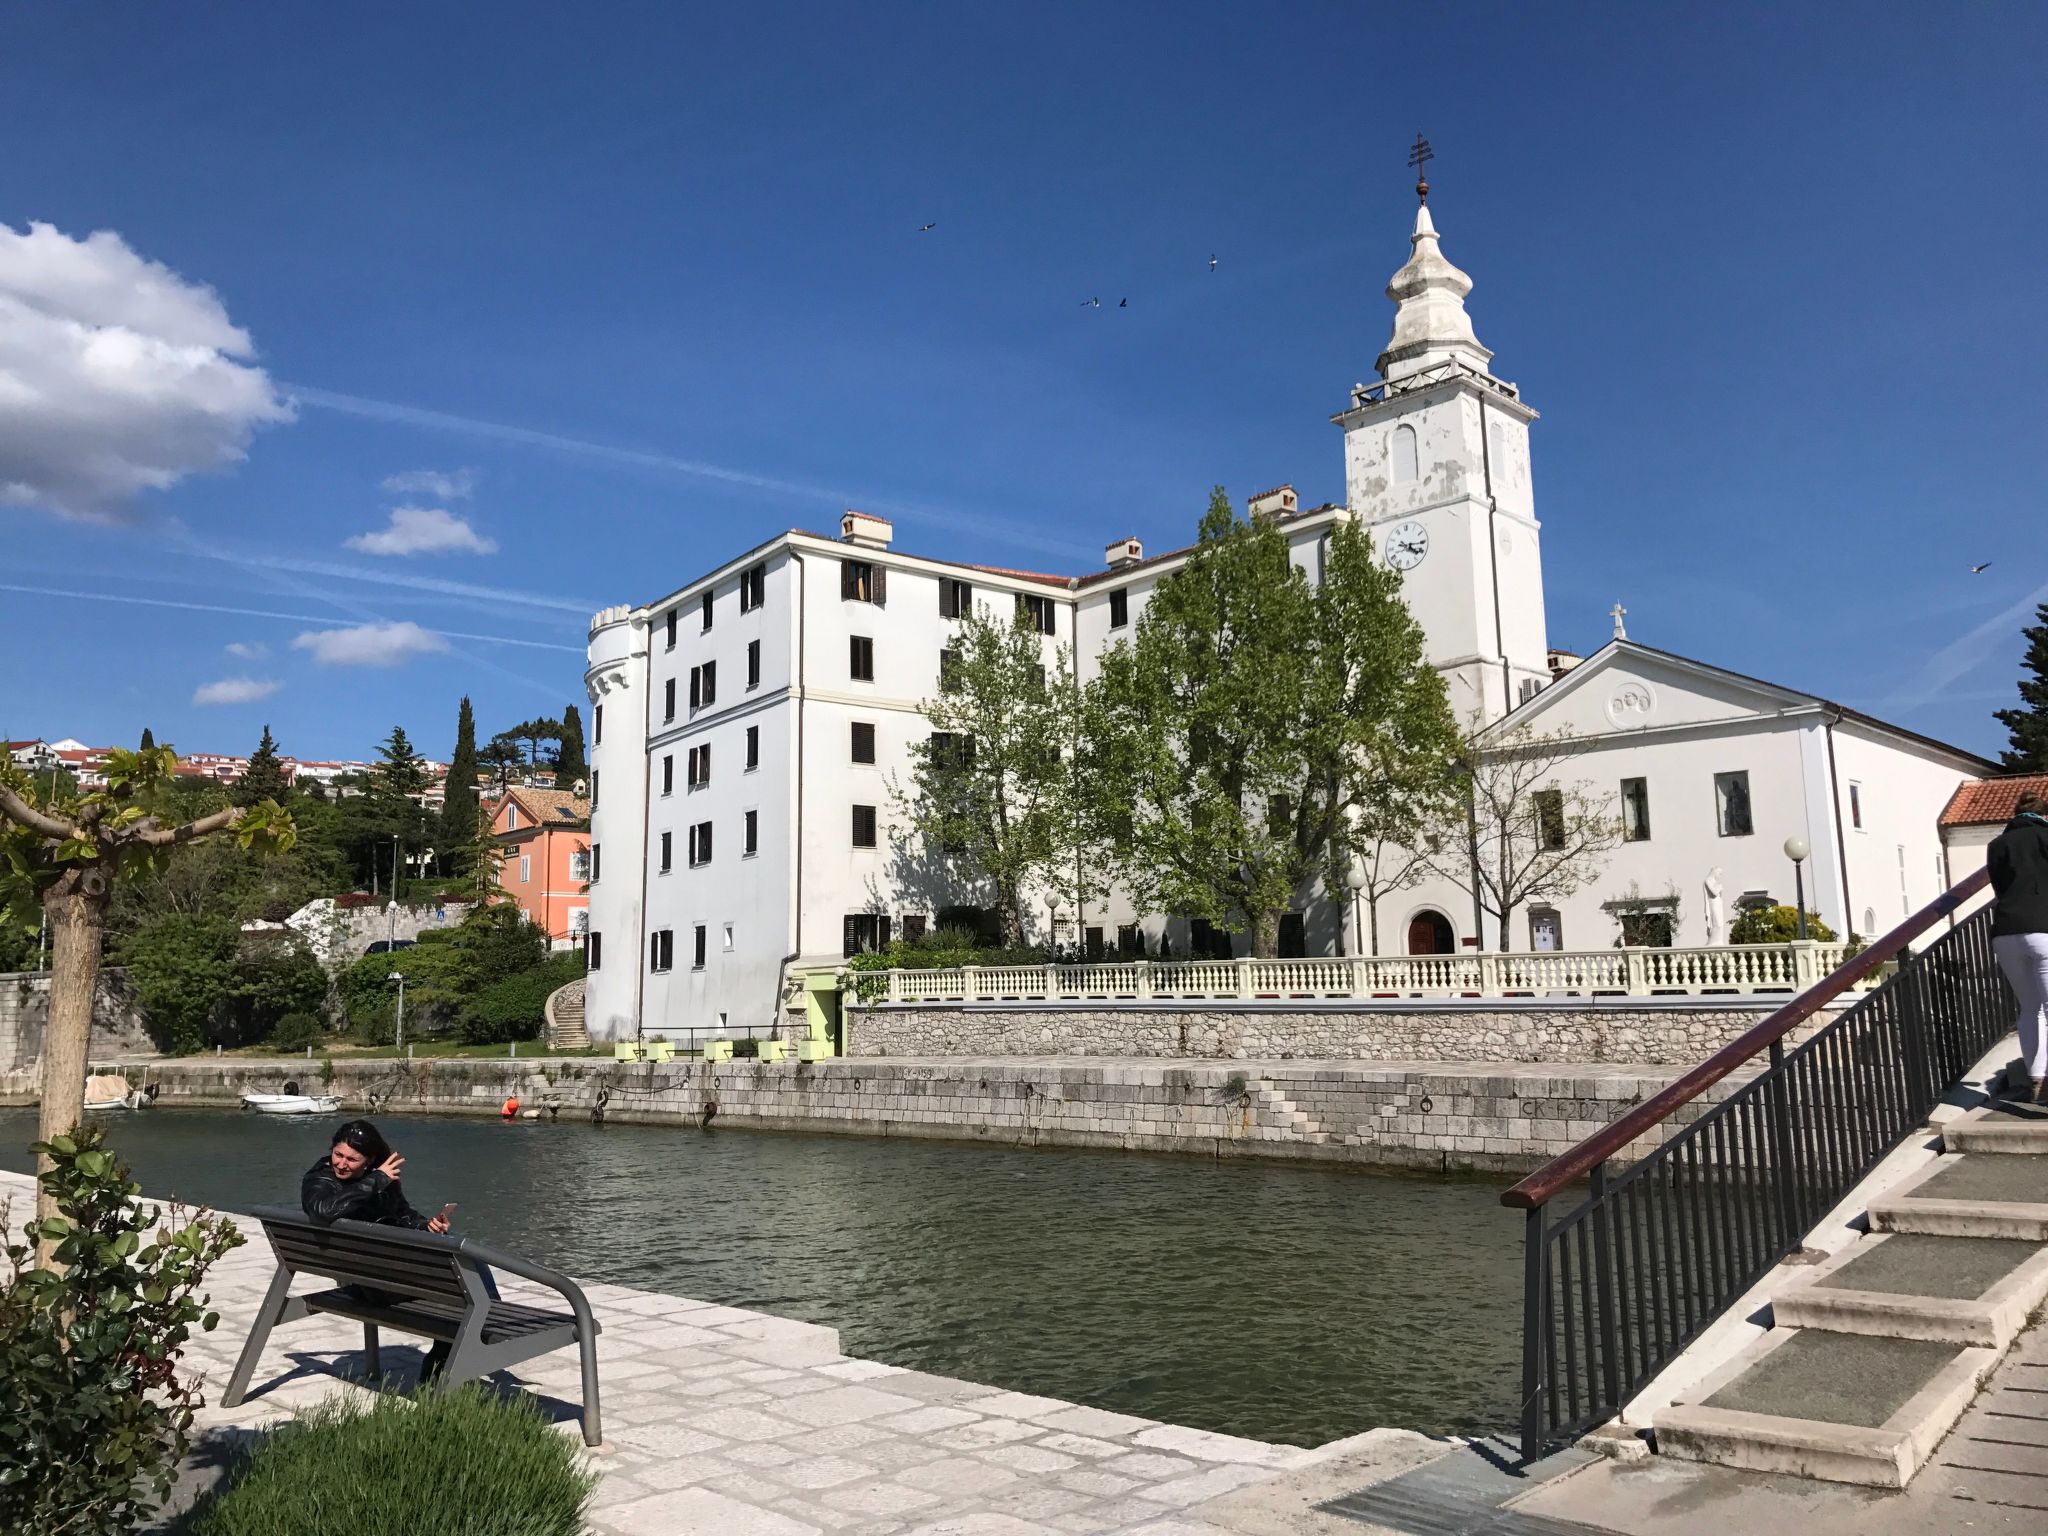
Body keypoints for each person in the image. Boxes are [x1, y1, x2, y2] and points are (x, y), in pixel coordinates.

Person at [302, 1119, 455, 1379]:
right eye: (338, 1154)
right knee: (458, 1288)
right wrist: (376, 1180)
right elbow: (322, 1210)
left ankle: (460, 1349)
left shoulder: (381, 1178)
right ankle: (445, 1365)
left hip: (378, 1275)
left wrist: (426, 1226)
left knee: (459, 1266)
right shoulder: (321, 1179)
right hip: (368, 1283)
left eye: (352, 1159)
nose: (341, 1164)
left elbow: (403, 1214)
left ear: (369, 1161)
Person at [1990, 790, 2048, 1103]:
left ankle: (2036, 1078)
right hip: (2043, 928)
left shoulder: (1997, 845)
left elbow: (2000, 888)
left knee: (2030, 1008)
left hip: (2005, 931)